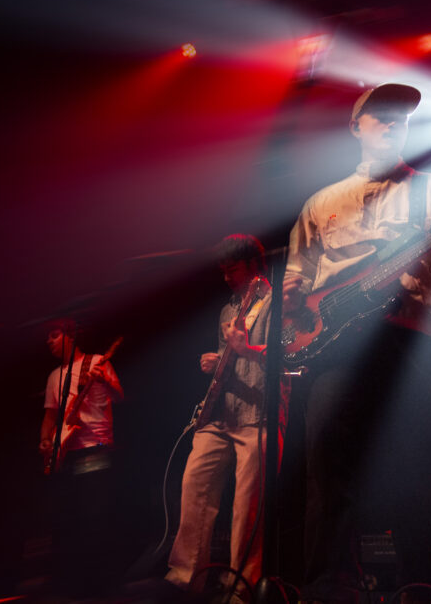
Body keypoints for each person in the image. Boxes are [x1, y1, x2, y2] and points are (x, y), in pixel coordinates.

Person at [283, 84, 431, 603]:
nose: (394, 123)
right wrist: (290, 300)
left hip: (410, 344)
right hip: (335, 348)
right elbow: (297, 278)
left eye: (400, 117)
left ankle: (420, 586)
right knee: (328, 469)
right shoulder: (322, 203)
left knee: (414, 468)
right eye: (381, 116)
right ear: (356, 127)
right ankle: (328, 589)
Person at [165, 234, 276, 597]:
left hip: (258, 412)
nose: (227, 278)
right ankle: (186, 579)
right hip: (220, 414)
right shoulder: (227, 310)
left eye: (233, 269)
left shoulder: (276, 302)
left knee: (247, 507)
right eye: (223, 271)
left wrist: (247, 349)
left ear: (254, 265)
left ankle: (241, 586)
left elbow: (289, 354)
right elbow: (228, 359)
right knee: (194, 488)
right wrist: (214, 363)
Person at [39, 319, 124, 595]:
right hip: (67, 451)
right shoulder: (54, 376)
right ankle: (71, 583)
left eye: (54, 335)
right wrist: (45, 440)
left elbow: (119, 396)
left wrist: (104, 379)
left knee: (96, 515)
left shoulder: (97, 361)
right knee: (69, 517)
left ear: (70, 336)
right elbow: (50, 415)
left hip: (95, 447)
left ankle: (101, 585)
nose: (49, 341)